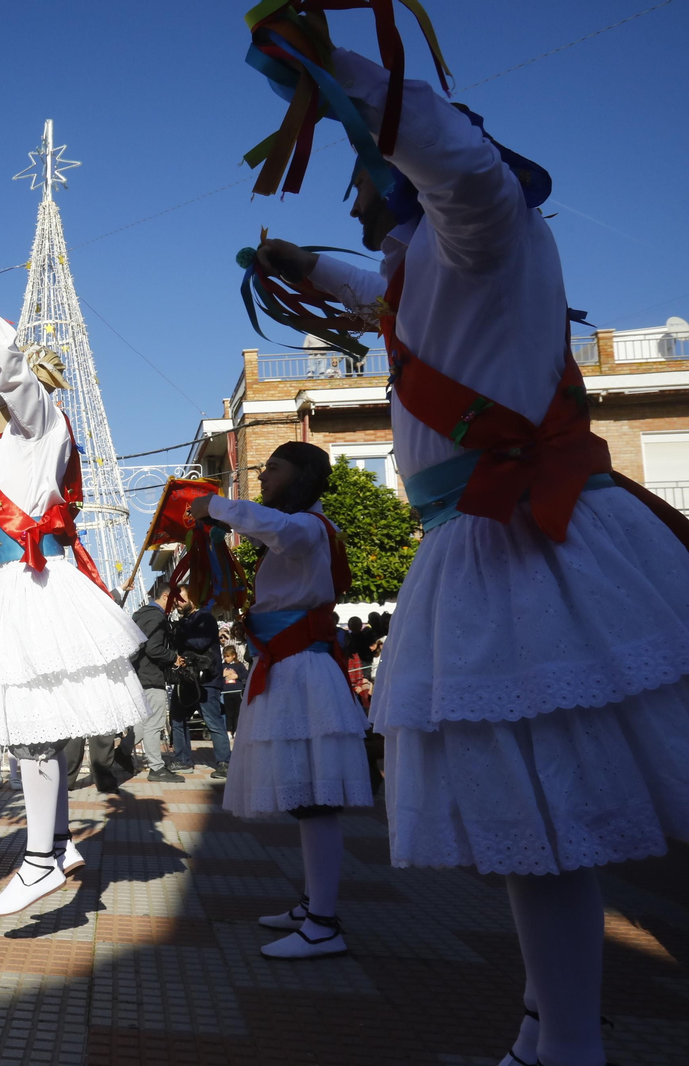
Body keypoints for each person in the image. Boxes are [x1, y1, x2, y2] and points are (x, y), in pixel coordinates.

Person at [251, 41, 689, 1065]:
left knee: (548, 830)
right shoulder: (432, 268)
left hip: (529, 540)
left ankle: (566, 1043)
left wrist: (336, 64)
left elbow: (450, 156)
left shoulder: (485, 225)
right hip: (487, 542)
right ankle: (546, 1027)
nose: (355, 201)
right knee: (536, 829)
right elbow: (373, 286)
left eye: (364, 174)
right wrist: (297, 264)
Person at [0, 301, 148, 917]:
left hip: (35, 581)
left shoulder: (36, 422)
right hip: (25, 579)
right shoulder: (19, 433)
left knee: (33, 726)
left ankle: (38, 862)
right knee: (45, 726)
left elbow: (5, 369)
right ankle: (57, 846)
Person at [192, 445, 373, 959]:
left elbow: (275, 527)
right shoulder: (298, 531)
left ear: (303, 477)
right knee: (306, 800)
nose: (263, 475)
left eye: (273, 467)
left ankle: (323, 922)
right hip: (289, 669)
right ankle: (313, 903)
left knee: (315, 801)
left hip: (302, 671)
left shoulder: (310, 528)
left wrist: (217, 505)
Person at [130, 580, 184, 784]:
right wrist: (173, 657)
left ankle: (119, 753)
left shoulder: (140, 615)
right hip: (151, 675)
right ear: (165, 596)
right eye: (174, 599)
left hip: (139, 674)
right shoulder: (156, 618)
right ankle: (157, 767)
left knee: (143, 722)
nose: (176, 603)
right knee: (154, 723)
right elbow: (153, 648)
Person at [170, 598, 230, 779]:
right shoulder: (183, 622)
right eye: (175, 600)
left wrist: (181, 631)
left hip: (207, 680)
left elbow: (199, 643)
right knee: (178, 718)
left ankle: (225, 763)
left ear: (192, 599)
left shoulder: (206, 618)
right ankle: (183, 760)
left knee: (213, 722)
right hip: (187, 678)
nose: (177, 603)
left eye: (180, 599)